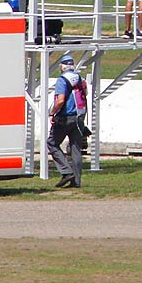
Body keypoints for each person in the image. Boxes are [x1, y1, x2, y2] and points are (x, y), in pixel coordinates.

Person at [46, 55, 89, 188]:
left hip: (65, 118)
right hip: (79, 118)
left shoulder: (62, 80)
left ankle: (66, 171)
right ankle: (76, 181)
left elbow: (60, 100)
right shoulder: (79, 78)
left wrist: (52, 113)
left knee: (52, 143)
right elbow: (85, 93)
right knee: (76, 149)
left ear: (62, 66)